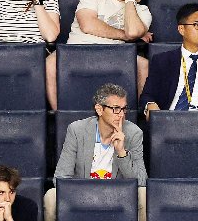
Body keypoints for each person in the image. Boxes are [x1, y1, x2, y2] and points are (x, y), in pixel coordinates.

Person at [44, 83, 147, 221]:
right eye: (116, 109)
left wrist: (121, 152)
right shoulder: (77, 130)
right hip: (82, 195)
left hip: (117, 196)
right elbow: (61, 177)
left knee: (143, 194)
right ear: (99, 109)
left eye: (124, 109)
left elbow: (141, 181)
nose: (121, 115)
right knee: (51, 196)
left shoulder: (134, 133)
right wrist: (88, 194)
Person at [68, 0, 152, 91]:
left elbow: (133, 32)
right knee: (51, 63)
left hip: (114, 56)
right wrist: (124, 35)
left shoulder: (142, 10)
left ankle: (141, 112)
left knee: (144, 65)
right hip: (79, 52)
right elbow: (87, 25)